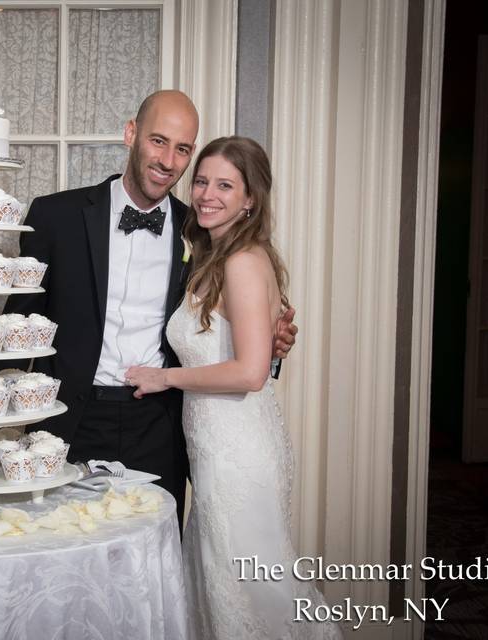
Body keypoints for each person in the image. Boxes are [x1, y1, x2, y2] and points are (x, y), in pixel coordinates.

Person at [0, 90, 296, 518]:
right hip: (68, 421)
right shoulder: (54, 216)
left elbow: (235, 320)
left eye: (182, 149)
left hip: (159, 426)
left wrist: (272, 344)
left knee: (153, 564)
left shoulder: (201, 231)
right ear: (131, 134)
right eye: (158, 141)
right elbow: (17, 322)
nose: (168, 161)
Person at [126, 136, 341, 639]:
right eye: (201, 181)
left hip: (239, 454)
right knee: (225, 586)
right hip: (214, 450)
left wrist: (165, 377)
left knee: (255, 591)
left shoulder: (242, 262)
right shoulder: (210, 256)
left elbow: (249, 372)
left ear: (250, 199)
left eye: (225, 185)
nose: (206, 194)